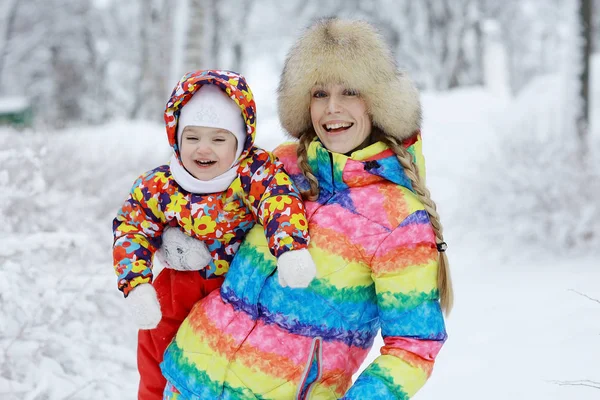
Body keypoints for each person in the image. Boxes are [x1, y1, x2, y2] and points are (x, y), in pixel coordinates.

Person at [160, 18, 452, 399]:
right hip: (186, 377)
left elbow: (413, 347)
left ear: (378, 100)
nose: (332, 109)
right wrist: (181, 240)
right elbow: (220, 230)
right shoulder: (279, 167)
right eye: (318, 93)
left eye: (350, 91)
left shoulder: (398, 217)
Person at [112, 69, 316, 399]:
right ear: (176, 137)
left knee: (228, 373)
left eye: (218, 139)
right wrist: (136, 284)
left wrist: (289, 248)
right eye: (192, 137)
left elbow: (278, 199)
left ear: (240, 142)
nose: (203, 149)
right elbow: (132, 227)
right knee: (158, 364)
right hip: (176, 295)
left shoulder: (251, 173)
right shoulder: (159, 184)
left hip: (236, 294)